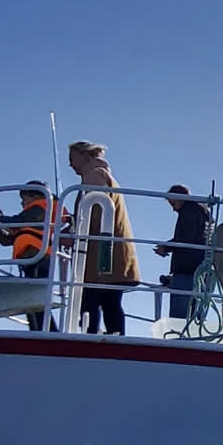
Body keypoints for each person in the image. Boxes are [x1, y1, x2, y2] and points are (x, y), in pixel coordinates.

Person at [65, 140, 139, 335]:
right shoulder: (102, 174)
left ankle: (90, 342)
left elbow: (95, 210)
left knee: (90, 302)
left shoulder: (94, 175)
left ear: (84, 155)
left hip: (100, 257)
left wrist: (74, 233)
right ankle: (117, 341)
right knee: (109, 303)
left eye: (72, 158)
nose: (70, 164)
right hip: (111, 255)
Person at [0, 182, 58, 330]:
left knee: (35, 299)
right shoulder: (31, 219)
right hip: (30, 260)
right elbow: (6, 240)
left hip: (38, 258)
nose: (22, 203)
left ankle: (46, 332)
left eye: (24, 198)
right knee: (30, 300)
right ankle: (40, 331)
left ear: (35, 195)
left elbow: (17, 221)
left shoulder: (43, 207)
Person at [154, 184, 211, 321]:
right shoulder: (202, 212)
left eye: (172, 203)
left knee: (179, 320)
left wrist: (165, 247)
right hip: (201, 270)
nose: (173, 208)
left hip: (187, 272)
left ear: (179, 198)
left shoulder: (189, 211)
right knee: (197, 318)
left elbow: (185, 239)